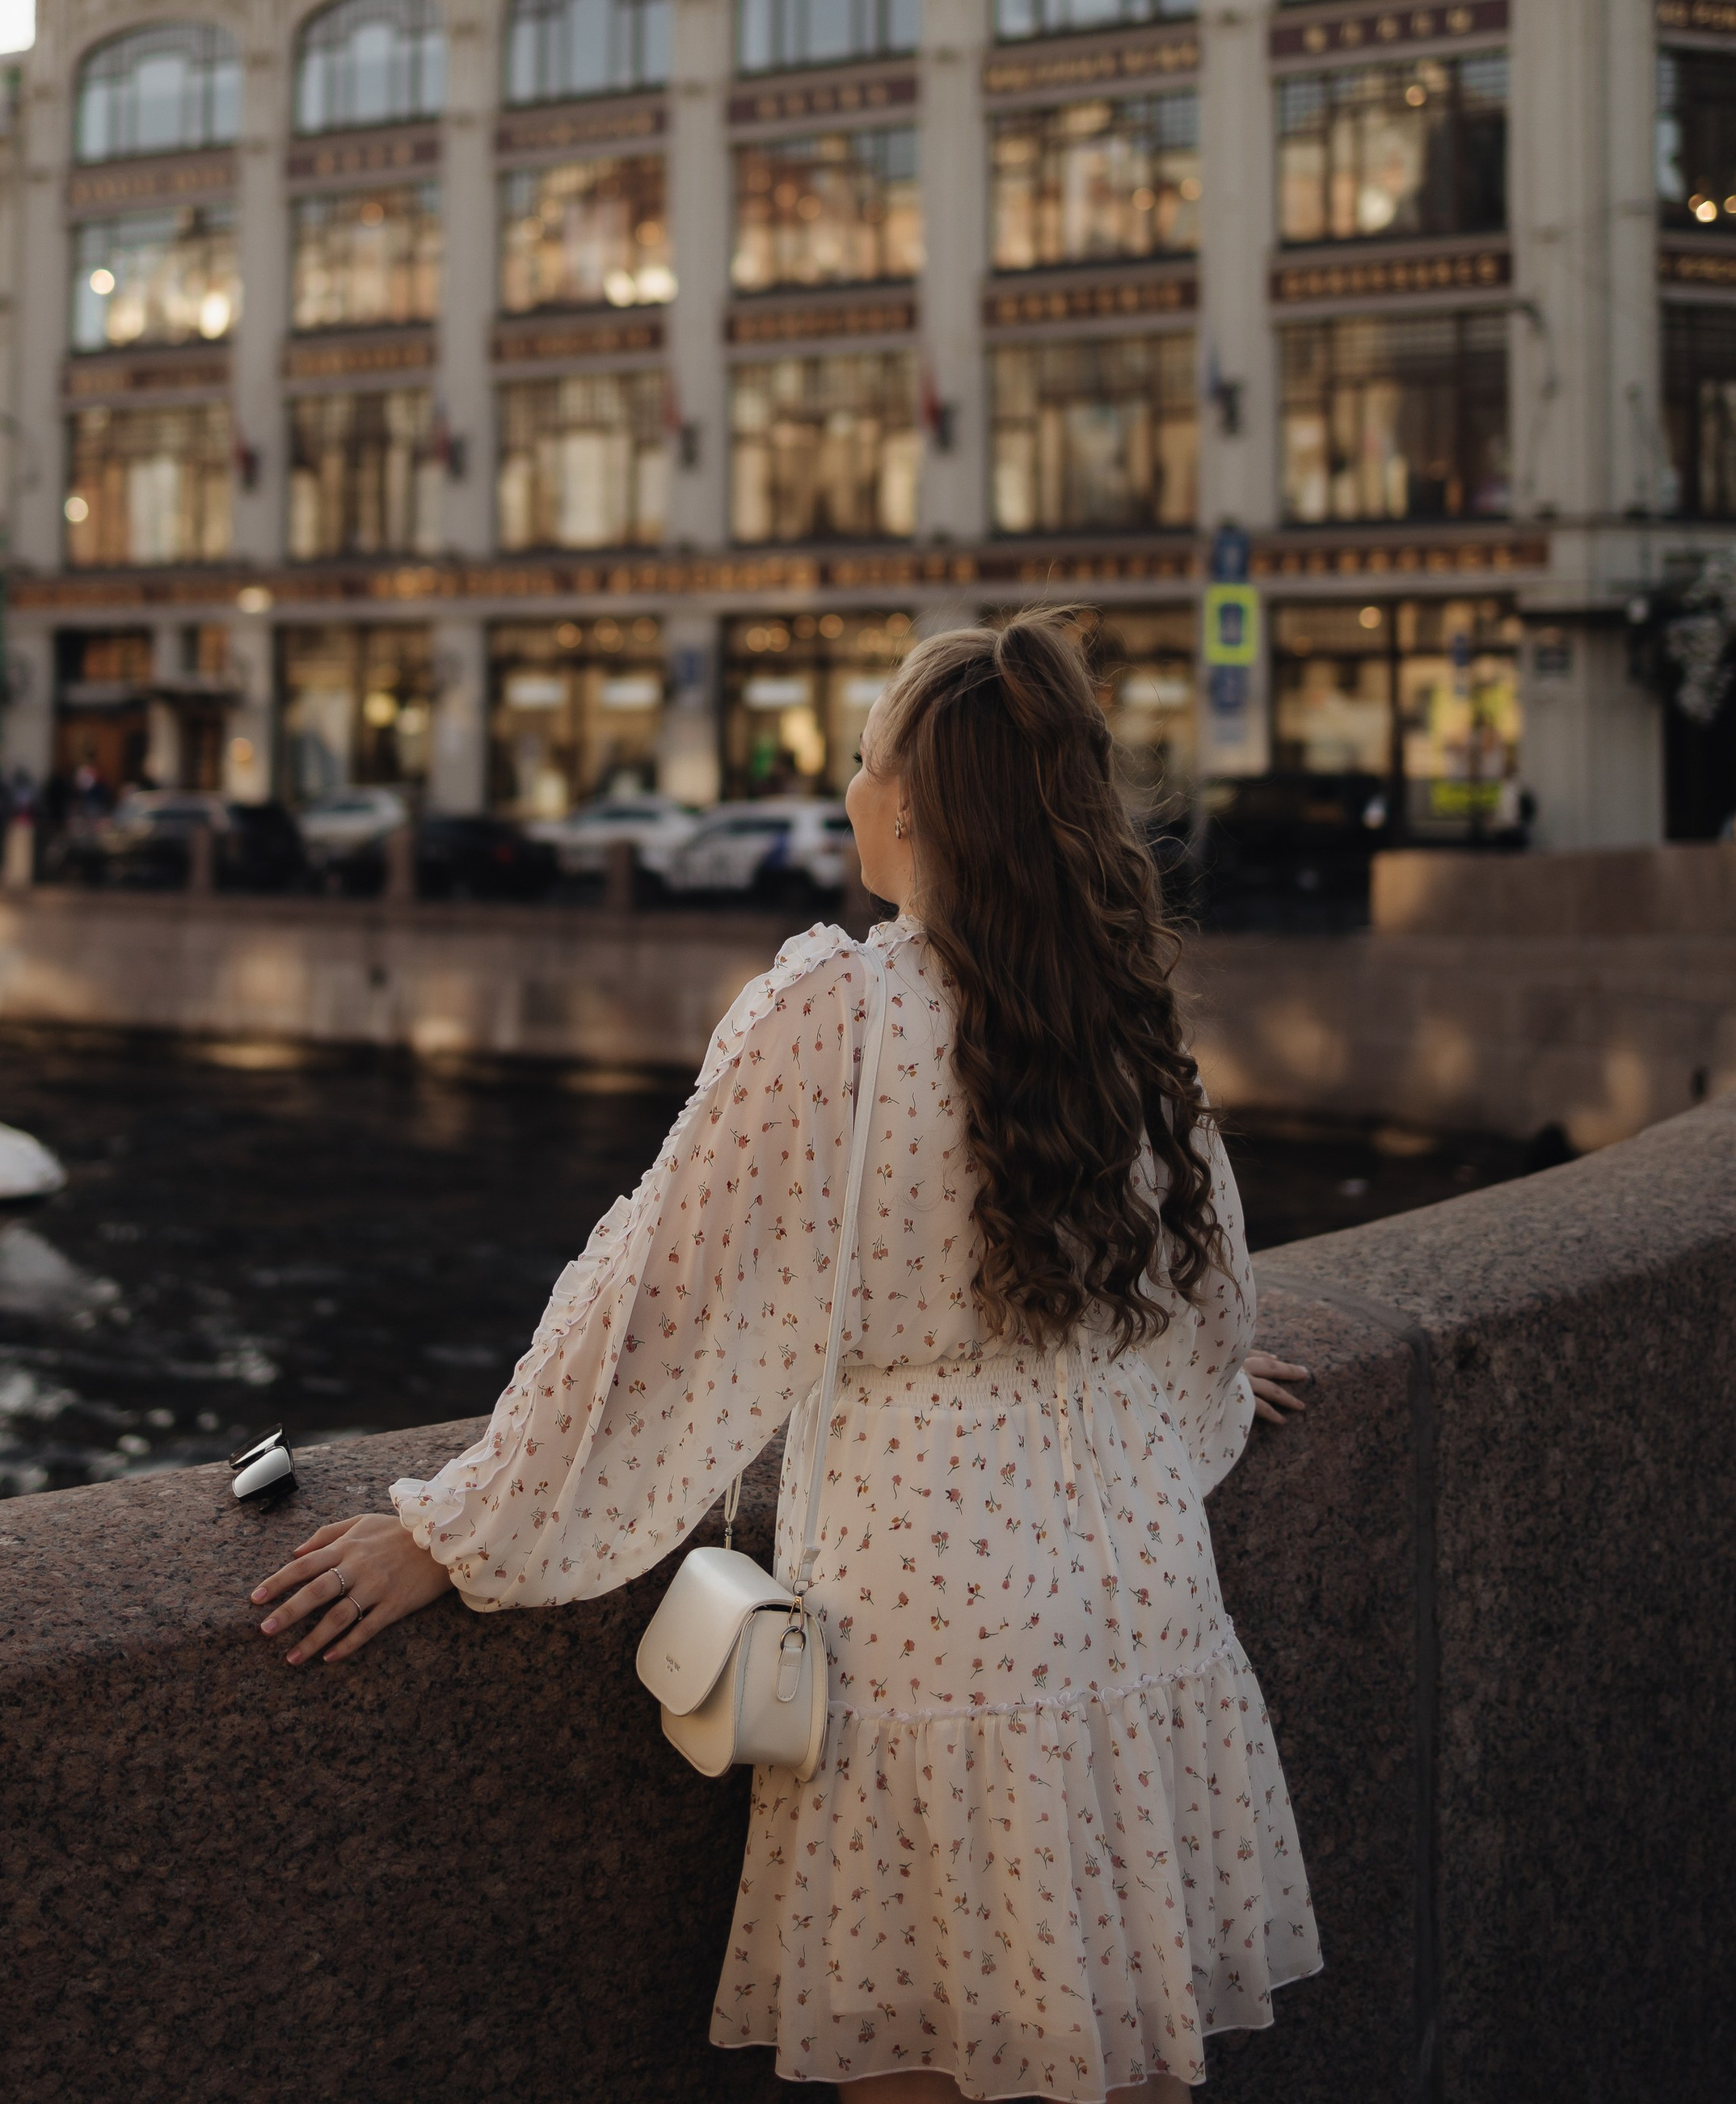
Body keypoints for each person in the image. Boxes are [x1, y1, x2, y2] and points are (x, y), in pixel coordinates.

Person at [253, 609, 1321, 2101]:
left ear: (918, 805)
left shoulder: (839, 1014)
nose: (846, 797)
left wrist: (457, 1528)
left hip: (936, 1626)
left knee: (920, 2066)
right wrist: (1196, 1386)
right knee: (1118, 2056)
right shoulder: (1117, 1008)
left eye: (867, 761)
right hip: (1139, 1594)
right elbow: (1194, 1268)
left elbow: (650, 1297)